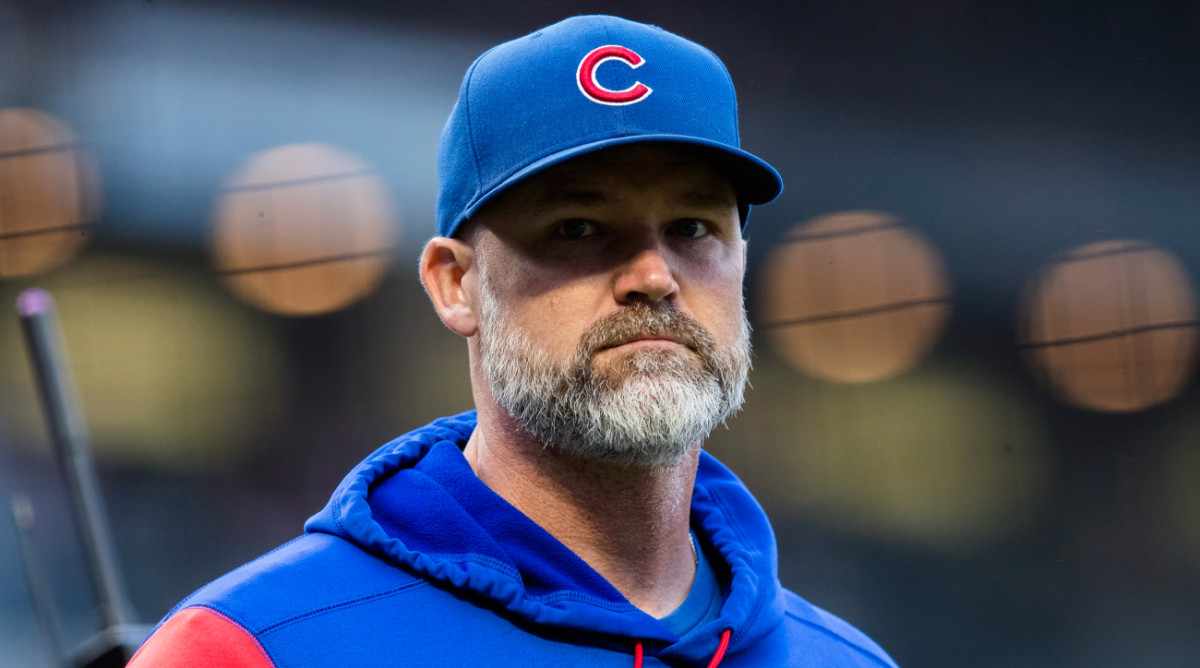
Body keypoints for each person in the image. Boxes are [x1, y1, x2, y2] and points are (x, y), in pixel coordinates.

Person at [130, 15, 898, 667]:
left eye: (694, 228)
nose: (654, 276)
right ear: (454, 284)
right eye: (578, 228)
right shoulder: (250, 647)